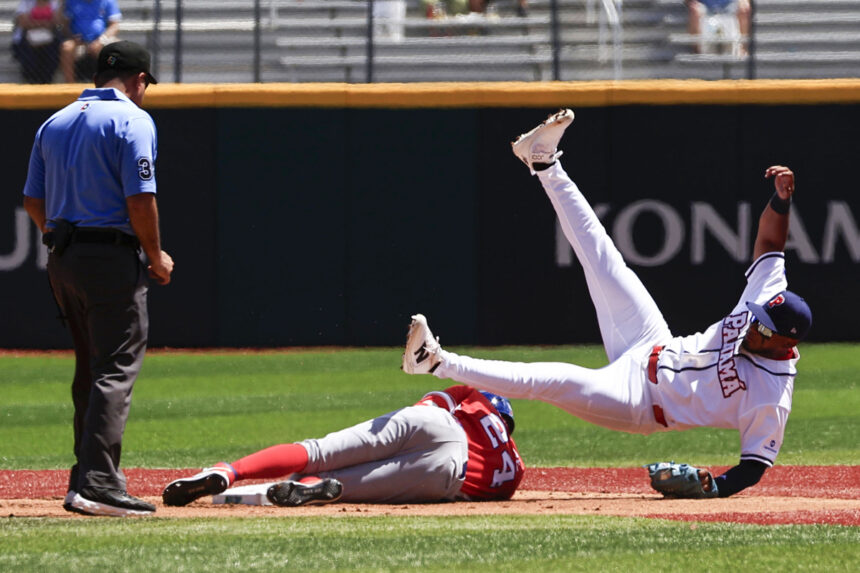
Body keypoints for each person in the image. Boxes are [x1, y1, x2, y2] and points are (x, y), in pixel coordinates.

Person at [403, 108, 811, 499]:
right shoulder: (768, 300)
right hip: (652, 343)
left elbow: (756, 465)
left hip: (639, 403)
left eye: (761, 327)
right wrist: (781, 200)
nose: (752, 324)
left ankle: (434, 361)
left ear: (782, 342)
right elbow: (771, 244)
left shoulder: (771, 393)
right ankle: (543, 161)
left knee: (555, 380)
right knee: (603, 257)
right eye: (757, 318)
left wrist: (713, 486)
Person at [22, 40, 173, 517]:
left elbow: (32, 199)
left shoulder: (56, 120)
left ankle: (81, 479)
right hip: (111, 257)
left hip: (63, 257)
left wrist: (54, 235)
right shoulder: (132, 119)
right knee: (115, 368)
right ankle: (100, 484)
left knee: (89, 368)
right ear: (139, 79)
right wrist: (155, 255)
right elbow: (140, 199)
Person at [162, 386, 523, 507]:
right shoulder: (515, 469)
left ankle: (228, 471)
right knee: (344, 488)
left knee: (316, 450)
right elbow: (478, 495)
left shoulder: (475, 398)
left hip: (436, 422)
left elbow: (428, 404)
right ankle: (312, 488)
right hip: (452, 474)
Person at [59, 0, 122, 82]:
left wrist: (101, 40)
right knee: (66, 47)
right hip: (78, 42)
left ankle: (111, 80)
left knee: (116, 50)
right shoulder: (71, 2)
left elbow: (114, 25)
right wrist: (71, 36)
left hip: (102, 40)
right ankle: (70, 84)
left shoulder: (108, 1)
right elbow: (64, 24)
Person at [10, 0, 63, 83]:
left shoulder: (55, 2)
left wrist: (35, 23)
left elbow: (57, 22)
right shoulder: (25, 3)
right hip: (27, 37)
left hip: (50, 37)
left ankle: (47, 81)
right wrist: (44, 24)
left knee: (52, 50)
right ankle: (30, 80)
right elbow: (23, 23)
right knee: (28, 51)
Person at [685, 0, 750, 55]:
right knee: (694, 9)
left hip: (729, 6)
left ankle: (742, 47)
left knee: (744, 7)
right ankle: (698, 50)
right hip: (705, 7)